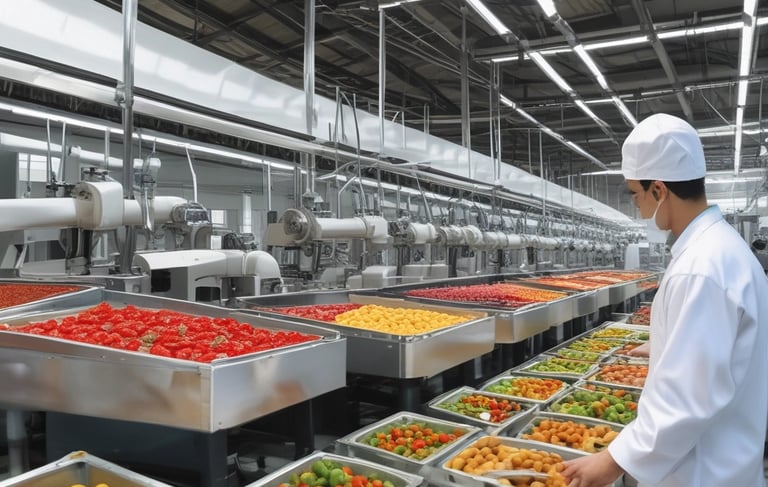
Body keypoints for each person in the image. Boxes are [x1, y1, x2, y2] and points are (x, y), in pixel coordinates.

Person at [562, 113, 768, 487]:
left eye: (636, 195)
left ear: (659, 190)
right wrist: (664, 345)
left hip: (703, 470)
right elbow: (718, 352)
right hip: (724, 459)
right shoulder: (718, 251)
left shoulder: (702, 267)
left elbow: (690, 398)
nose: (638, 208)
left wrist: (614, 459)